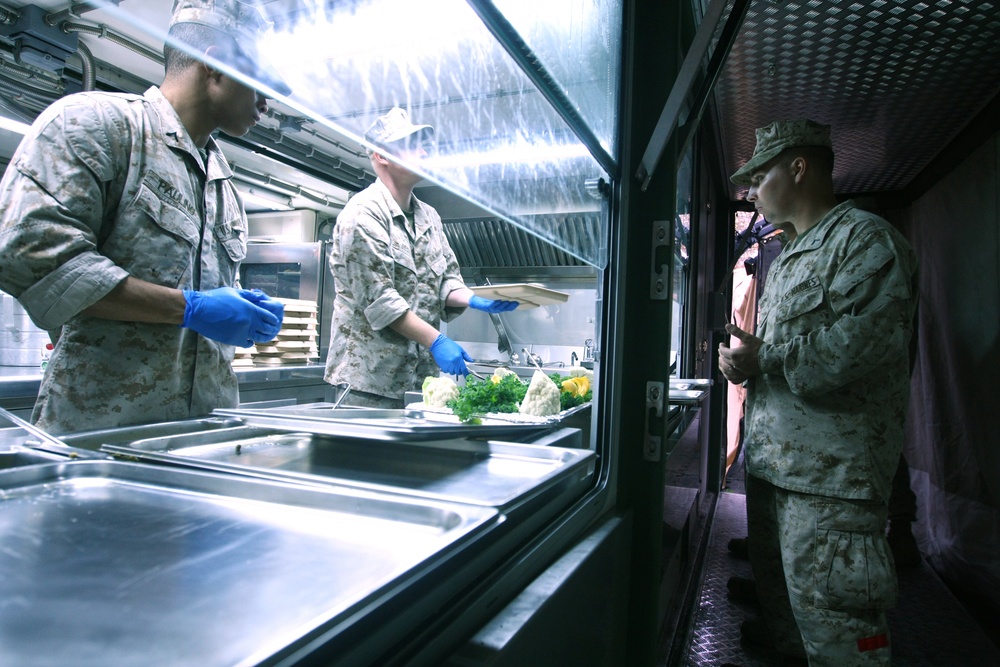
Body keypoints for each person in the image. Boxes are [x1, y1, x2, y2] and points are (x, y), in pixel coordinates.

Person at [0, 0, 290, 435]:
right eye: (259, 83)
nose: (266, 104)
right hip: (102, 436)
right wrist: (189, 308)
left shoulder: (223, 184)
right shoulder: (98, 126)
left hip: (204, 437)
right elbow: (33, 256)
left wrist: (240, 309)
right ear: (215, 65)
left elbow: (197, 293)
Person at [718, 119, 918, 665]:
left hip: (831, 488)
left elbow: (866, 343)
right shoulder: (789, 257)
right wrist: (744, 365)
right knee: (788, 626)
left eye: (760, 176)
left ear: (799, 167)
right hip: (775, 475)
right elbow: (781, 355)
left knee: (842, 641)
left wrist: (769, 358)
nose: (752, 192)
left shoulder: (863, 241)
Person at [325, 107, 519, 409]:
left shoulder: (429, 217)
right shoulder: (362, 214)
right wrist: (437, 341)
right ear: (382, 156)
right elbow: (381, 302)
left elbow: (446, 281)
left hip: (419, 382)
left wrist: (473, 298)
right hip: (368, 385)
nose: (425, 152)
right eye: (412, 145)